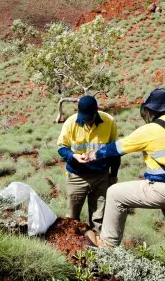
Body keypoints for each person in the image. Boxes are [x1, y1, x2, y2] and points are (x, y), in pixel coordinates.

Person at [83, 88, 165, 281]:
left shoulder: (151, 130)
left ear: (153, 111)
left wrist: (93, 154)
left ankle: (106, 245)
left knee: (115, 193)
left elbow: (117, 148)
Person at [57, 95, 120, 232]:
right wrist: (74, 156)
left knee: (99, 220)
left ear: (96, 111)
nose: (87, 121)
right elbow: (61, 148)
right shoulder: (71, 123)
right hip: (76, 176)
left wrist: (113, 175)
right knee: (72, 219)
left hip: (100, 177)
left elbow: (115, 151)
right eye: (84, 117)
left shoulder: (109, 122)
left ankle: (97, 248)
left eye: (89, 117)